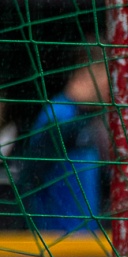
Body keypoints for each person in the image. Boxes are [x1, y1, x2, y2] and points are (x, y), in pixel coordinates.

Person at [12, 54, 109, 235]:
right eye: (106, 83)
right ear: (85, 74)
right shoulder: (58, 114)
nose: (109, 92)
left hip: (85, 236)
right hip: (56, 238)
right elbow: (30, 175)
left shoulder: (85, 118)